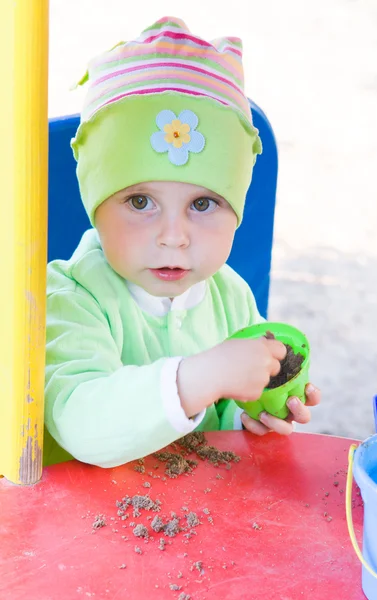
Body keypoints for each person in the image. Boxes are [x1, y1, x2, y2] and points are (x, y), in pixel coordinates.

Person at [45, 16, 320, 468]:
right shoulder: (69, 298)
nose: (174, 236)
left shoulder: (229, 295)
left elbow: (222, 415)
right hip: (77, 527)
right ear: (95, 205)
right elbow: (80, 423)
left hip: (193, 521)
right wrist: (201, 378)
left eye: (204, 204)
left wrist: (250, 414)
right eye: (139, 201)